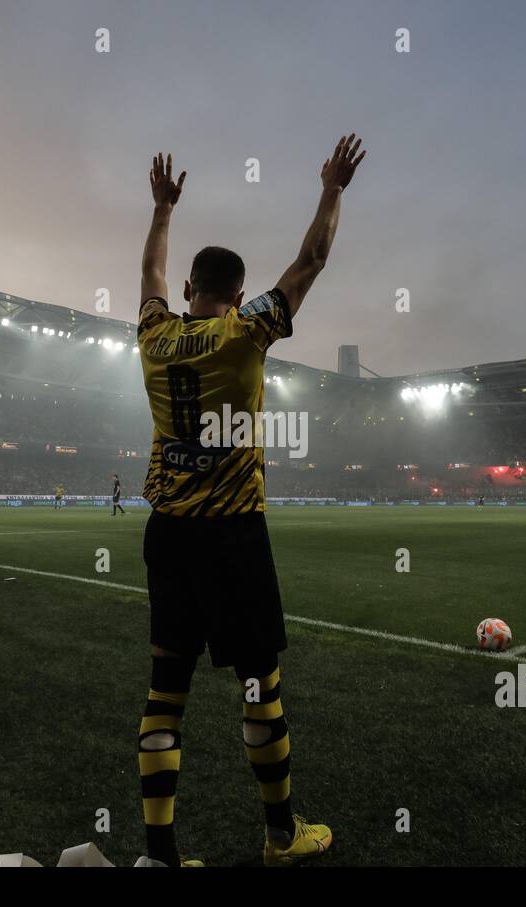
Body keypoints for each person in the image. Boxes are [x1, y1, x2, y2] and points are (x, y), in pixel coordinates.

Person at [132, 136, 364, 867]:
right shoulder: (246, 330)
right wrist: (332, 190)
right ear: (236, 294)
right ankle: (280, 837)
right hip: (232, 536)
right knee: (260, 685)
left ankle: (161, 856)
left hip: (166, 533)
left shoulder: (153, 335)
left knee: (165, 691)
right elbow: (312, 263)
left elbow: (147, 273)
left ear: (190, 289)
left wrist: (162, 211)